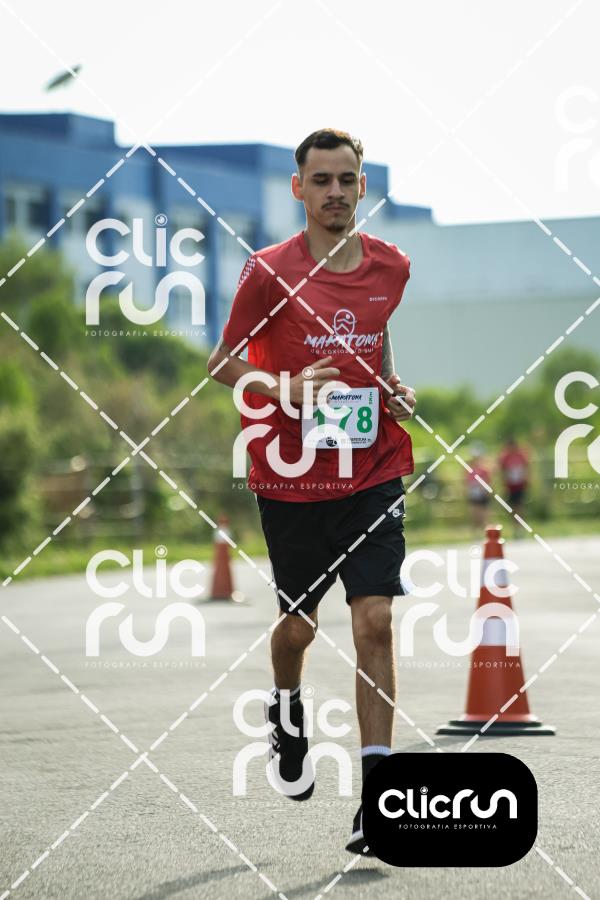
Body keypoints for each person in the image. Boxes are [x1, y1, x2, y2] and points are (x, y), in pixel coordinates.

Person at [208, 128, 416, 854]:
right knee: (299, 627)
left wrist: (392, 388)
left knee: (375, 620)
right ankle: (286, 704)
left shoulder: (392, 265)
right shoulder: (268, 271)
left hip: (373, 468)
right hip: (292, 477)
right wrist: (285, 388)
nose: (335, 192)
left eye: (346, 180)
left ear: (363, 187)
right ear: (298, 188)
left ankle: (379, 802)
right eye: (321, 180)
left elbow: (376, 341)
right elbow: (221, 362)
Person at [498, 436, 529, 519]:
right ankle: (514, 521)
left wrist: (526, 478)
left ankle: (520, 520)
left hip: (520, 483)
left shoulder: (521, 455)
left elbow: (526, 467)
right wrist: (503, 482)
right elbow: (502, 470)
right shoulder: (505, 457)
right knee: (511, 504)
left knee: (519, 503)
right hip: (509, 484)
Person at [465, 445, 492, 535]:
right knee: (475, 514)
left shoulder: (484, 470)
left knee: (484, 514)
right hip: (474, 494)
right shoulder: (469, 470)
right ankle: (476, 532)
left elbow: (488, 481)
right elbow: (467, 482)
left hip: (483, 493)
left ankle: (485, 532)